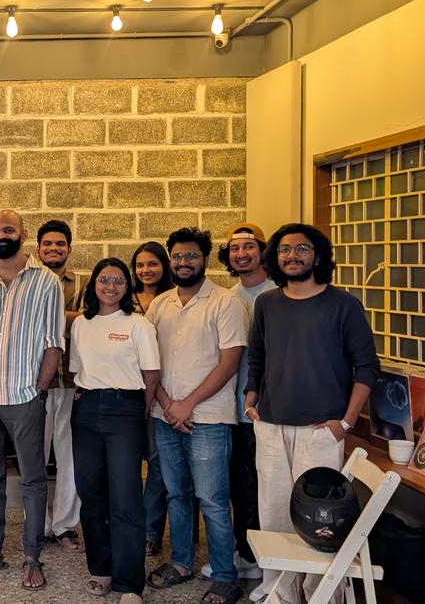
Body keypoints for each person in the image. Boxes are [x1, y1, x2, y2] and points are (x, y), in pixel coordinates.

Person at [244, 223, 379, 604]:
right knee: (273, 515)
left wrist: (346, 423)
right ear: (275, 257)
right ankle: (279, 594)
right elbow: (257, 358)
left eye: (302, 248)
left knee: (319, 522)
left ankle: (320, 596)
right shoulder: (266, 303)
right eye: (285, 249)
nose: (293, 255)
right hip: (270, 425)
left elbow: (367, 367)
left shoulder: (343, 304)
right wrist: (251, 400)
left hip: (322, 430)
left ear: (317, 256)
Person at [0, 210, 64, 592]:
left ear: (23, 234)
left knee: (33, 480)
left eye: (8, 230)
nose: (1, 235)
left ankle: (32, 556)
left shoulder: (47, 281)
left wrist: (39, 389)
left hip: (24, 398)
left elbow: (54, 342)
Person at [145, 228, 247, 604]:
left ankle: (224, 575)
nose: (184, 262)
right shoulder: (161, 304)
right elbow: (147, 361)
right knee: (176, 494)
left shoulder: (225, 302)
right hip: (165, 415)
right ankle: (182, 562)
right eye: (178, 256)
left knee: (212, 499)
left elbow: (229, 362)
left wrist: (187, 405)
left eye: (191, 256)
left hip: (209, 418)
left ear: (204, 259)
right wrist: (168, 404)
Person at [70, 257, 160, 602]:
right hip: (86, 408)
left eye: (119, 280)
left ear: (127, 286)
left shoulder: (138, 325)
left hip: (126, 409)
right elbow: (77, 369)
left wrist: (140, 410)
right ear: (93, 284)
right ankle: (101, 568)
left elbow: (151, 374)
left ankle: (128, 583)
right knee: (91, 493)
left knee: (125, 497)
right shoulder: (81, 324)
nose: (111, 286)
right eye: (104, 279)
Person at [209, 224, 276, 586]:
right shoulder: (228, 297)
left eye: (249, 247)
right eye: (235, 249)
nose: (241, 254)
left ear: (263, 251)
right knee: (238, 485)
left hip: (266, 411)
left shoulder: (278, 294)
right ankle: (243, 551)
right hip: (230, 408)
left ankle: (260, 557)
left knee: (262, 488)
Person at [35, 219, 84, 554]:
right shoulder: (27, 282)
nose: (53, 249)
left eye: (60, 244)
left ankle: (65, 525)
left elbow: (89, 320)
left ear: (69, 248)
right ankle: (37, 524)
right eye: (47, 244)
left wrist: (53, 315)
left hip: (71, 382)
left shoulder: (84, 283)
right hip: (33, 383)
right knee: (33, 457)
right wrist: (68, 316)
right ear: (38, 249)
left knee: (70, 458)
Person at [130, 241, 174, 557]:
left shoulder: (174, 299)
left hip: (163, 393)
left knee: (158, 465)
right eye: (140, 265)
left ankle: (150, 531)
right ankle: (128, 527)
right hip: (129, 393)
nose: (146, 270)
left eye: (153, 264)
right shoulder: (124, 299)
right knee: (128, 464)